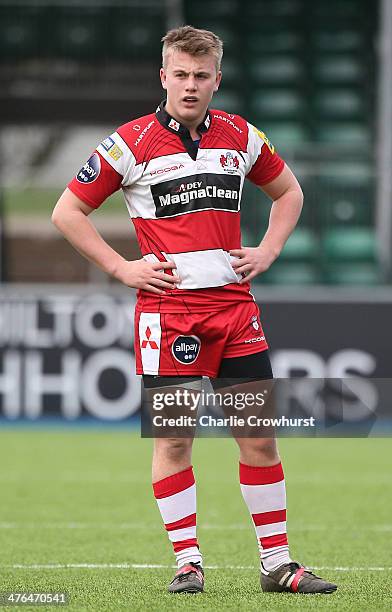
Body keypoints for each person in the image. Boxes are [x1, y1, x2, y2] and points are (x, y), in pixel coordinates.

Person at [52, 25, 337, 596]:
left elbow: (289, 193)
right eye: (179, 74)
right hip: (169, 316)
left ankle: (277, 565)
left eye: (200, 76)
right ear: (163, 77)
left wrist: (269, 249)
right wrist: (122, 268)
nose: (189, 85)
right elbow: (67, 212)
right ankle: (188, 562)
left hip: (235, 311)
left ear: (216, 80)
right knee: (175, 440)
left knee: (258, 436)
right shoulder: (128, 143)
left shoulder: (240, 135)